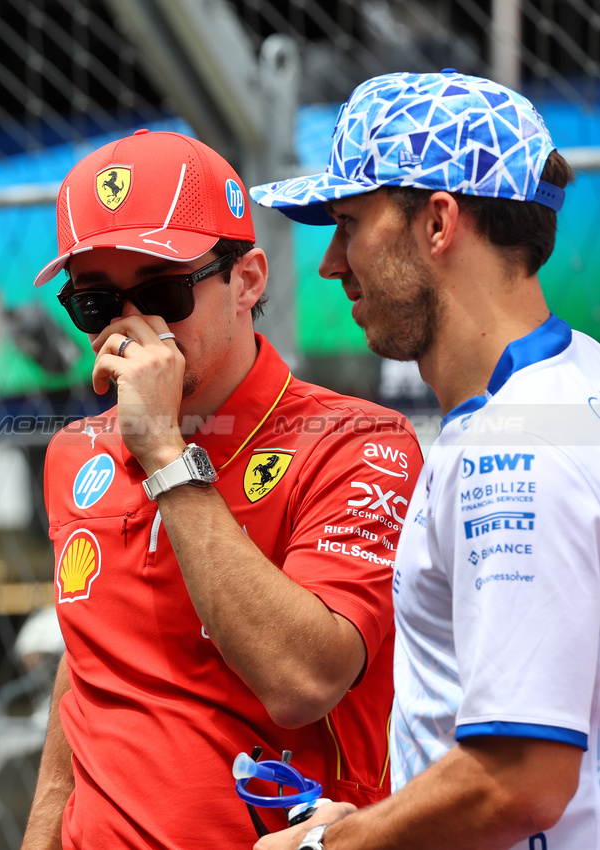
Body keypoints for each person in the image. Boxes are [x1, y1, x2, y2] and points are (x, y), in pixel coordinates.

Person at [19, 129, 421, 849]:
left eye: (161, 292)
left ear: (249, 280)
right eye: (93, 304)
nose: (129, 326)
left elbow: (302, 680)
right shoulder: (74, 453)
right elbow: (88, 666)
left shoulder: (355, 443)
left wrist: (166, 456)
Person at [250, 70, 594, 850]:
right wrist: (378, 820)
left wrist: (326, 848)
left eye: (347, 222)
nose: (331, 263)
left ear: (437, 223)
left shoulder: (515, 450)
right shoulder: (569, 389)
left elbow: (519, 780)